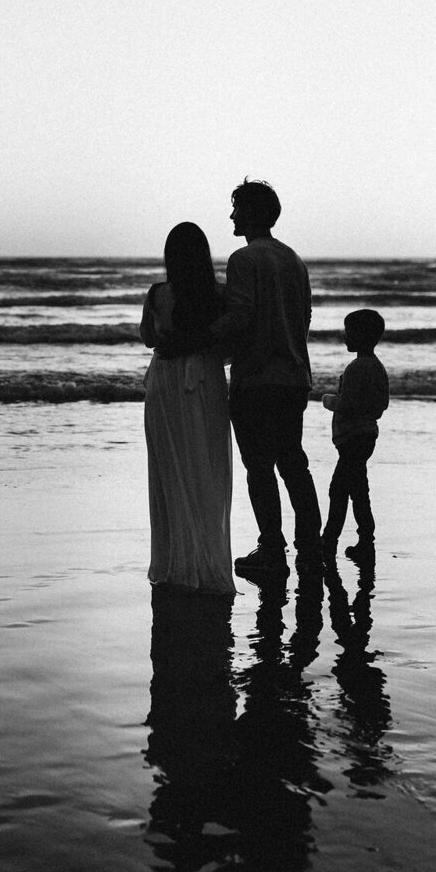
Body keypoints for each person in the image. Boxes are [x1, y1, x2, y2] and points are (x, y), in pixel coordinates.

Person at [205, 179, 324, 577]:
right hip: (293, 376)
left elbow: (241, 316)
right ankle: (310, 543)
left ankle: (272, 548)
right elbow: (305, 317)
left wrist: (202, 340)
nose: (232, 216)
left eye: (236, 208)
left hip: (256, 378)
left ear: (251, 213)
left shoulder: (244, 260)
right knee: (293, 462)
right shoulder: (293, 260)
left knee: (259, 468)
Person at [140, 222, 235, 595]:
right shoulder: (219, 296)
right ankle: (203, 558)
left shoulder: (157, 293)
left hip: (165, 384)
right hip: (204, 380)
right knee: (204, 468)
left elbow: (149, 338)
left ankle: (173, 562)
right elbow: (230, 342)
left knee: (169, 471)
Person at [319, 309, 390, 559]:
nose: (345, 337)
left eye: (349, 332)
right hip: (366, 436)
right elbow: (382, 404)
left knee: (338, 490)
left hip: (353, 439)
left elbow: (346, 404)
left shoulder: (357, 367)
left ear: (361, 335)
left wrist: (328, 400)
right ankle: (365, 541)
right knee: (358, 490)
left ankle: (328, 541)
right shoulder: (377, 367)